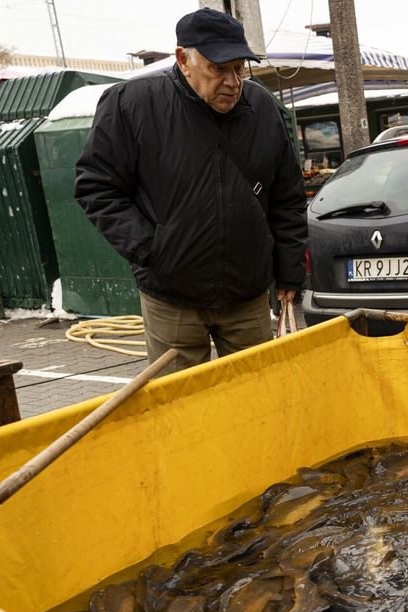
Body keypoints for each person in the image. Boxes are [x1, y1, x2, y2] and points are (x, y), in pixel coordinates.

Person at [76, 8, 306, 375]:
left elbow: (287, 196)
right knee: (181, 406)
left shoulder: (262, 108)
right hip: (172, 297)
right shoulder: (132, 105)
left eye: (239, 68)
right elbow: (96, 186)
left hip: (247, 295)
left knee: (257, 399)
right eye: (219, 68)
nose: (233, 81)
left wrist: (290, 272)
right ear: (183, 59)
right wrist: (151, 250)